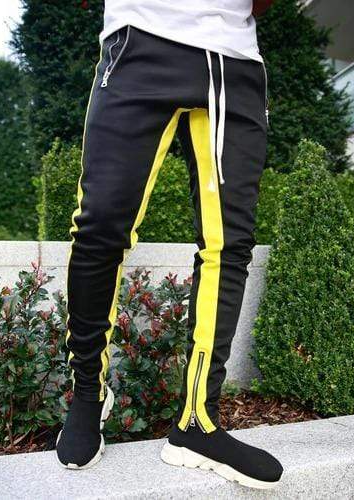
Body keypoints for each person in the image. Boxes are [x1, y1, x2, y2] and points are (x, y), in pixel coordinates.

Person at [56, 0, 283, 489]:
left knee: (228, 245)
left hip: (233, 59)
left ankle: (197, 422)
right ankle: (88, 392)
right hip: (140, 40)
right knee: (99, 228)